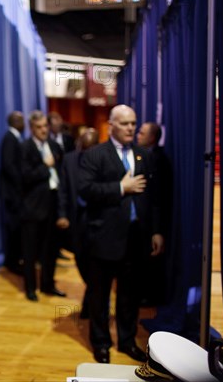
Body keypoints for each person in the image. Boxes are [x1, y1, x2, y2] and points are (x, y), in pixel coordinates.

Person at [78, 104, 164, 364]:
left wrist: (157, 230)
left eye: (133, 123)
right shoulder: (95, 154)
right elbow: (85, 190)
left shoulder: (143, 155)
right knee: (100, 296)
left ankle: (127, 341)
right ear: (111, 125)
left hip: (135, 238)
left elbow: (153, 196)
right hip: (103, 237)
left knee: (130, 295)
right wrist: (120, 187)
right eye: (125, 123)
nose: (130, 128)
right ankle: (101, 343)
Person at [20, 111, 66, 302]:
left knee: (51, 250)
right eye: (39, 127)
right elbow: (25, 176)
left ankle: (48, 284)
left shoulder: (55, 146)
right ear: (32, 128)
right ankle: (31, 288)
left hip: (53, 204)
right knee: (30, 253)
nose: (43, 130)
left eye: (45, 126)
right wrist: (44, 166)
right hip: (33, 207)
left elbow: (62, 173)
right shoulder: (25, 147)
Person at [56, 128, 100, 318]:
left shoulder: (103, 160)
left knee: (96, 262)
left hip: (97, 219)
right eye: (85, 148)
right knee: (80, 259)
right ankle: (93, 296)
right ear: (79, 145)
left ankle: (92, 303)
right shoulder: (69, 160)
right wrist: (62, 214)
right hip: (76, 218)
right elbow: (63, 189)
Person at [137, 122, 173, 306]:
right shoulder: (145, 155)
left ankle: (150, 296)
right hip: (147, 220)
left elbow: (158, 195)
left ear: (152, 137)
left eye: (142, 133)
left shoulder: (158, 159)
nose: (137, 135)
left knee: (151, 261)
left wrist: (157, 229)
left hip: (154, 221)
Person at [0, 111, 25, 275]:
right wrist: (21, 182)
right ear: (16, 122)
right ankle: (12, 262)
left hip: (14, 192)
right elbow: (9, 165)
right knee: (13, 229)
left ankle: (14, 260)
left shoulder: (14, 137)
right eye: (21, 120)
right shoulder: (10, 138)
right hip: (12, 193)